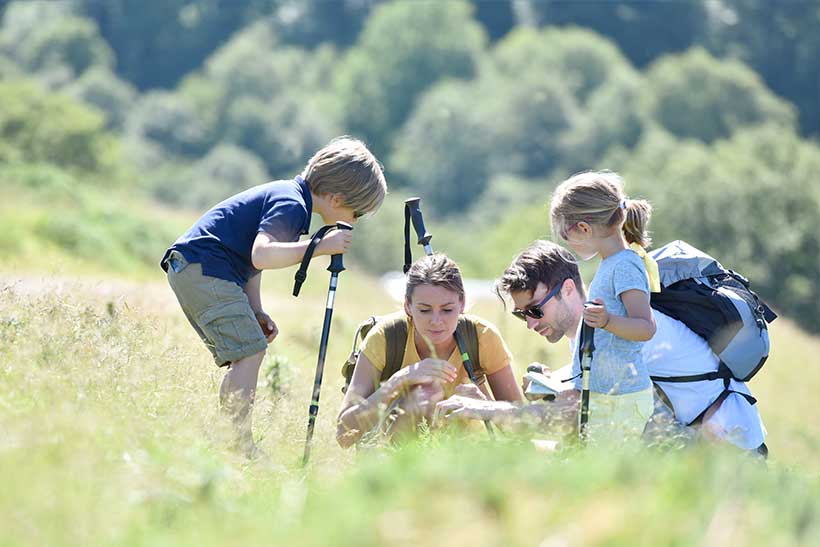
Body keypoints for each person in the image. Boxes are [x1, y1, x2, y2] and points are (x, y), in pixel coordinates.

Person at [161, 136, 387, 456]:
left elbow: (250, 264)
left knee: (247, 350)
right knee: (250, 352)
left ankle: (228, 439)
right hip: (204, 268)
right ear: (337, 199)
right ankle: (237, 444)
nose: (354, 222)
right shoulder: (292, 204)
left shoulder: (289, 196)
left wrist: (255, 309)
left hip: (197, 267)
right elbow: (262, 254)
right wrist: (319, 247)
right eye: (357, 213)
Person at [436, 240, 767, 455]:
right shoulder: (590, 332)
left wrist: (487, 410)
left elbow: (572, 417)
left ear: (568, 289)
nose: (531, 325)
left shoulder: (610, 328)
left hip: (730, 457)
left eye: (535, 310)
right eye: (522, 315)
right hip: (710, 447)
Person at [336, 254, 522, 448]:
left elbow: (523, 427)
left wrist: (484, 405)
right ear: (408, 305)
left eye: (447, 310)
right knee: (423, 397)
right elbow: (343, 435)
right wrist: (398, 382)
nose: (436, 321)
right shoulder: (385, 337)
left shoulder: (482, 337)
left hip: (468, 457)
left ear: (462, 303)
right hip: (392, 458)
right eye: (424, 310)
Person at [548, 171, 657, 441]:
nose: (567, 243)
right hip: (607, 396)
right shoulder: (612, 263)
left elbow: (646, 327)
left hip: (622, 399)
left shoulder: (625, 265)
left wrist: (607, 321)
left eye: (565, 235)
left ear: (584, 228)